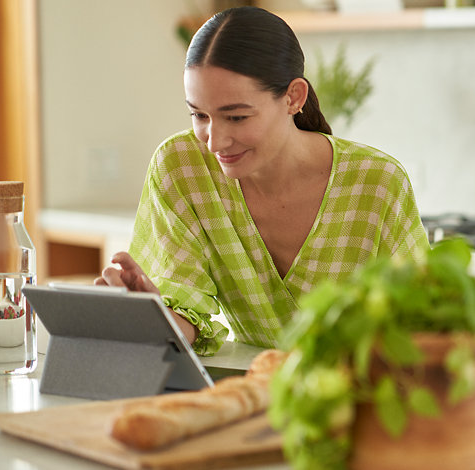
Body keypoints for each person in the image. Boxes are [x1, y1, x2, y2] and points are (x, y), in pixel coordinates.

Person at [94, 6, 429, 355]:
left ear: (293, 97)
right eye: (199, 115)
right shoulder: (181, 168)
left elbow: (425, 327)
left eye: (236, 117)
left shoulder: (376, 183)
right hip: (248, 390)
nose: (214, 141)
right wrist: (150, 316)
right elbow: (185, 311)